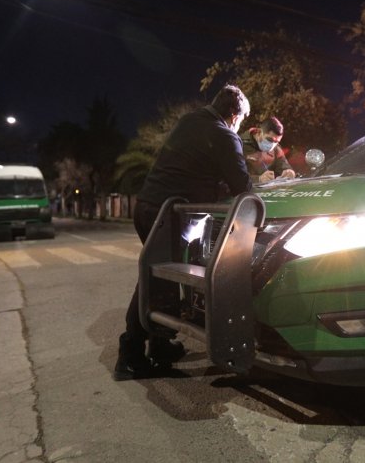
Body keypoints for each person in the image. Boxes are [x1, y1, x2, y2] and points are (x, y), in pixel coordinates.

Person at [113, 84, 252, 381]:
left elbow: (195, 168)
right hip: (170, 214)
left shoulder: (190, 121)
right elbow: (243, 187)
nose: (239, 126)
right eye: (240, 121)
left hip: (150, 206)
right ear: (233, 115)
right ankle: (130, 354)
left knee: (162, 279)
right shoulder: (224, 134)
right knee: (153, 282)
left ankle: (160, 346)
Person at [240, 116, 296, 183]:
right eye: (269, 140)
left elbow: (283, 165)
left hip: (270, 191)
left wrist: (290, 172)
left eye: (276, 141)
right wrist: (258, 179)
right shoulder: (239, 144)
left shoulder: (276, 148)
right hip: (247, 192)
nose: (272, 145)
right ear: (259, 132)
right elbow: (234, 175)